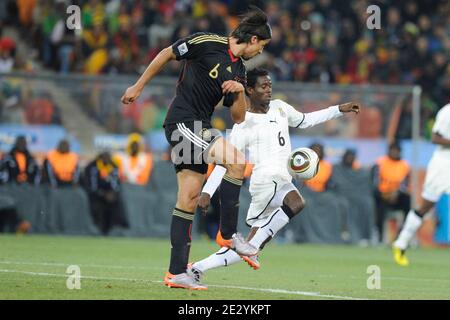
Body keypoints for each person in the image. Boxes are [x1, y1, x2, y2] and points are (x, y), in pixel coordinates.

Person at [121, 7, 272, 290]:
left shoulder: (239, 70)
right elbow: (167, 53)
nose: (259, 53)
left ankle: (176, 272)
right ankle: (228, 235)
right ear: (252, 39)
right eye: (261, 47)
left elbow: (238, 117)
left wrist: (239, 92)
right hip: (183, 121)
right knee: (237, 162)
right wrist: (138, 86)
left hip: (197, 126)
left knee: (188, 199)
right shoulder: (207, 42)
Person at [189, 68, 360, 284]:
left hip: (281, 179)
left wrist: (339, 109)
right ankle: (223, 258)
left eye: (270, 85)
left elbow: (306, 120)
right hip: (264, 184)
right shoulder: (244, 124)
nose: (268, 90)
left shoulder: (280, 108)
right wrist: (206, 192)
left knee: (256, 238)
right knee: (294, 204)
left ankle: (200, 267)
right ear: (249, 90)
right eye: (263, 86)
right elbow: (225, 164)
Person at [393, 103, 450, 266]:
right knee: (426, 205)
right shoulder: (447, 111)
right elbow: (435, 137)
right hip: (443, 164)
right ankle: (401, 242)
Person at [372, 142, 411, 244]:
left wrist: (396, 193)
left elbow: (405, 184)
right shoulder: (380, 163)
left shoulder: (404, 165)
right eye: (393, 150)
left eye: (397, 151)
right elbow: (375, 182)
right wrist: (385, 193)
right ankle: (379, 235)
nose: (395, 153)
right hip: (383, 195)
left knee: (407, 200)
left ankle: (403, 234)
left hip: (397, 195)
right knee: (378, 204)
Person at [84, 151, 122, 236]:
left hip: (110, 194)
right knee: (97, 208)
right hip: (96, 194)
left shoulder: (113, 166)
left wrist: (113, 192)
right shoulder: (93, 166)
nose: (106, 160)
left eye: (108, 158)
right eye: (104, 158)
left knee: (114, 206)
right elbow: (91, 185)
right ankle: (97, 229)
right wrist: (102, 193)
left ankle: (110, 229)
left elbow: (116, 182)